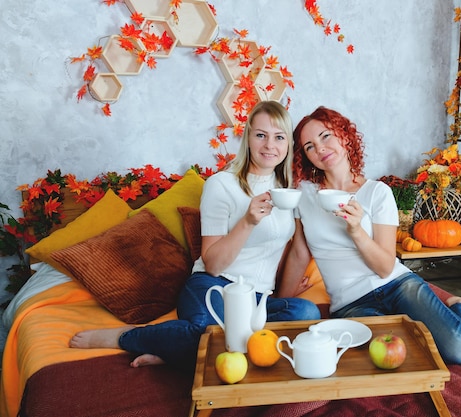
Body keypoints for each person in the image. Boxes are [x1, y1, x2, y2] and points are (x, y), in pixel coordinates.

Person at [70, 101, 321, 369]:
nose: (270, 145)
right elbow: (212, 263)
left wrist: (282, 295)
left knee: (306, 313)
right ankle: (128, 337)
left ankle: (173, 349)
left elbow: (291, 250)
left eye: (279, 137)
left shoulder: (290, 192)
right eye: (261, 135)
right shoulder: (221, 185)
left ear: (287, 144)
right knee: (204, 333)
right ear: (248, 137)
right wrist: (247, 222)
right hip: (214, 286)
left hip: (257, 298)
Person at [279, 106, 461, 364]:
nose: (320, 148)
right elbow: (299, 252)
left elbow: (384, 268)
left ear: (344, 136)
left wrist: (356, 231)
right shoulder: (305, 196)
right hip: (351, 304)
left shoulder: (377, 192)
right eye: (309, 146)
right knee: (391, 357)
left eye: (326, 136)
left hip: (398, 286)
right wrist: (280, 305)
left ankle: (460, 305)